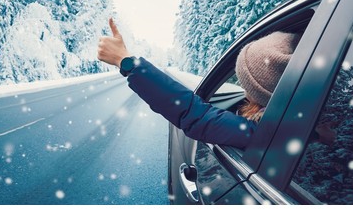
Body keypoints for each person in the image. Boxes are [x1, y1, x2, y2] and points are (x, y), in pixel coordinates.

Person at [97, 18, 300, 148]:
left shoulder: (265, 131)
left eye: (247, 86)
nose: (244, 93)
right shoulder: (301, 124)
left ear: (265, 91)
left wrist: (126, 62)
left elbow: (194, 114)